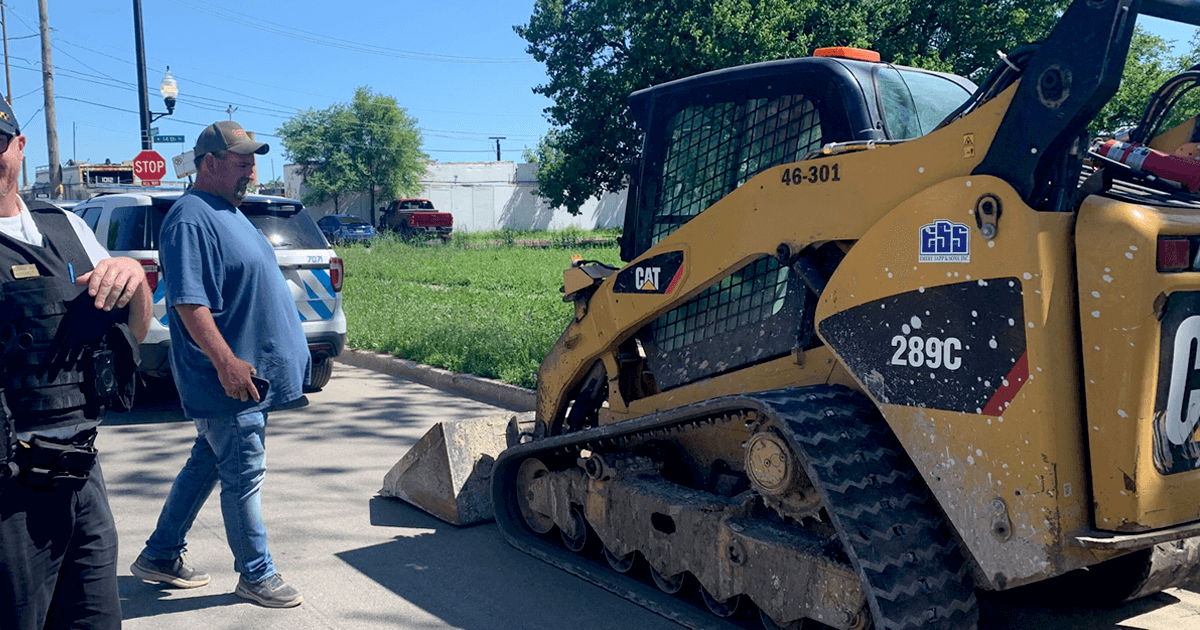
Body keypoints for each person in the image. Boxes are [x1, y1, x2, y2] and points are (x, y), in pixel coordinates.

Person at [130, 121, 309, 608]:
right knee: (244, 473)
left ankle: (161, 554)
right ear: (208, 162)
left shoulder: (227, 211)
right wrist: (228, 363)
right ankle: (256, 573)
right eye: (241, 160)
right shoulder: (192, 218)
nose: (251, 169)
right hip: (231, 381)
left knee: (208, 462)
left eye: (253, 160)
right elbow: (189, 305)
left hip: (251, 379)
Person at [0, 98, 153, 629]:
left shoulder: (67, 226)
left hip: (79, 474)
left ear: (19, 148)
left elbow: (128, 335)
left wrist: (132, 280)